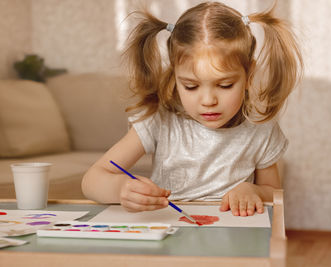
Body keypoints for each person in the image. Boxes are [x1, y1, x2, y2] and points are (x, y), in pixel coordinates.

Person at [82, 1, 302, 217]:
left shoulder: (260, 129)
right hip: (171, 239)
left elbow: (274, 194)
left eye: (225, 85)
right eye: (191, 86)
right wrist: (121, 188)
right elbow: (91, 180)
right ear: (175, 75)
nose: (208, 100)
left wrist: (253, 191)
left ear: (249, 76)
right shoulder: (159, 122)